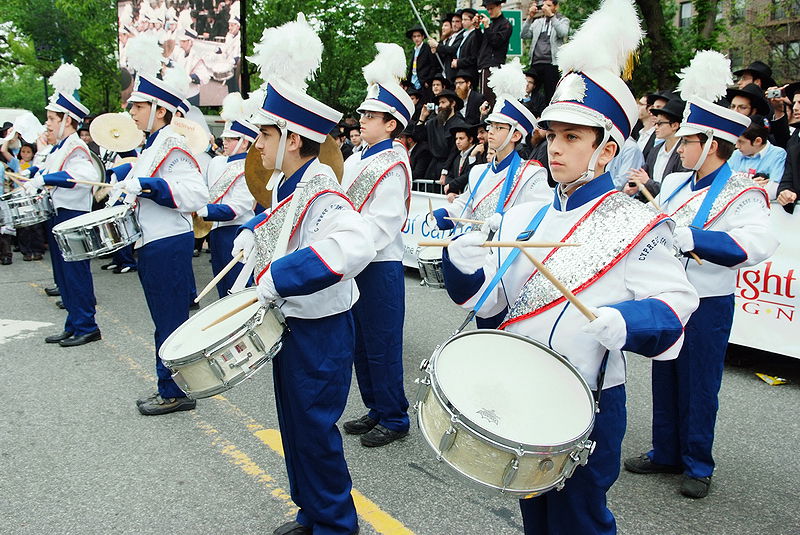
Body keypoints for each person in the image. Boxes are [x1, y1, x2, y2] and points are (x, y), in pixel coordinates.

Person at [442, 3, 698, 532]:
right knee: (534, 513)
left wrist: (627, 320)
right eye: (553, 135)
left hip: (590, 399)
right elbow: (486, 302)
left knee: (581, 519)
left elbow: (677, 303)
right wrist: (461, 262)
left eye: (572, 137)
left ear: (606, 151)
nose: (555, 148)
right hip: (523, 389)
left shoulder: (636, 223)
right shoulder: (526, 218)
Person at [230, 14, 374, 534]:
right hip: (293, 326)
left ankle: (336, 524)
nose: (257, 143)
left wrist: (279, 275)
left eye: (265, 133)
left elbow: (354, 244)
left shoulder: (323, 189)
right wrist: (254, 233)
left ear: (292, 139)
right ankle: (311, 512)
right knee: (293, 427)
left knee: (314, 431)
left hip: (320, 329)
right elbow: (284, 226)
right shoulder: (288, 187)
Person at [625, 50, 779, 500]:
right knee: (665, 372)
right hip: (669, 295)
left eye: (687, 142)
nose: (679, 149)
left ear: (711, 144)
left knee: (699, 383)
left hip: (709, 301)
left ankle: (697, 463)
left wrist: (694, 237)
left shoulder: (744, 191)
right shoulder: (674, 183)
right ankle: (665, 451)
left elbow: (755, 245)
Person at [112, 50, 209, 415]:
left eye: (138, 107)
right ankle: (168, 385)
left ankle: (175, 391)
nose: (132, 113)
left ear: (160, 110)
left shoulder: (174, 143)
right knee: (163, 319)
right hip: (153, 240)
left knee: (169, 320)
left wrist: (151, 186)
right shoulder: (153, 144)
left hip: (167, 241)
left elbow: (196, 193)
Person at [431, 59, 552, 328]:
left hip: (509, 266)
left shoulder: (531, 174)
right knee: (483, 327)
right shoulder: (479, 172)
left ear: (516, 135)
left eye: (499, 128)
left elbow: (541, 218)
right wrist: (446, 214)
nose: (491, 133)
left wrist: (507, 223)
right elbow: (466, 205)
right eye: (490, 127)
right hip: (481, 260)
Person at [341, 43, 413, 448]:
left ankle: (395, 416)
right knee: (361, 342)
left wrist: (344, 248)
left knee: (382, 344)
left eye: (371, 116)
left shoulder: (392, 163)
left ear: (391, 124)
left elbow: (383, 223)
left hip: (378, 264)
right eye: (364, 114)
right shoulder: (357, 159)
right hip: (355, 261)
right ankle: (375, 408)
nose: (363, 120)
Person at [24, 64, 102, 347]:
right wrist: (36, 174)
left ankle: (87, 325)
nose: (48, 124)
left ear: (67, 120)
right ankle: (73, 323)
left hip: (73, 216)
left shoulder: (76, 146)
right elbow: (50, 172)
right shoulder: (60, 147)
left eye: (52, 119)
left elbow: (84, 176)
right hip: (60, 214)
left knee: (75, 274)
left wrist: (46, 178)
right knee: (64, 276)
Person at [197, 92, 258, 297]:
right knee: (221, 290)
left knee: (238, 289)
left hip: (236, 230)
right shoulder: (216, 163)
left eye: (231, 139)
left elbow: (238, 207)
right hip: (215, 232)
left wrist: (203, 210)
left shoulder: (250, 167)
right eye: (225, 138)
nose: (225, 142)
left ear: (245, 142)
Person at [624, 97, 687, 199]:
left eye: (660, 123)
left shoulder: (684, 153)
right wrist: (636, 186)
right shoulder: (655, 150)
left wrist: (648, 182)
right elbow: (643, 178)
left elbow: (677, 192)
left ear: (675, 125)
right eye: (655, 123)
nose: (656, 127)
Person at [413, 88, 467, 182]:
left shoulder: (460, 124)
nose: (440, 106)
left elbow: (454, 151)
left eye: (443, 102)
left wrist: (445, 171)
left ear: (453, 103)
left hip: (450, 168)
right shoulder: (433, 122)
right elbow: (418, 137)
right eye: (439, 103)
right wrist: (422, 117)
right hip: (432, 167)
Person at [520, 0, 570, 101]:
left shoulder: (563, 20)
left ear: (555, 7)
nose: (545, 8)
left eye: (549, 5)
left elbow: (563, 33)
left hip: (551, 64)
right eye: (544, 5)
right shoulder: (538, 22)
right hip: (536, 63)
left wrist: (551, 16)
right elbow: (524, 34)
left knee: (550, 94)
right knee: (532, 93)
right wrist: (530, 17)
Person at [729, 115, 787, 200]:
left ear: (757, 141)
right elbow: (722, 186)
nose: (737, 146)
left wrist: (737, 186)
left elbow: (772, 192)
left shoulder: (777, 154)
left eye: (741, 142)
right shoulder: (736, 154)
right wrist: (750, 185)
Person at [475, 0, 512, 103]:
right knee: (484, 98)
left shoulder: (505, 24)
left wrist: (487, 27)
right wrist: (477, 28)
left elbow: (496, 42)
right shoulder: (491, 25)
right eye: (487, 9)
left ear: (499, 6)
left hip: (493, 66)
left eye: (491, 8)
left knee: (489, 99)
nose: (489, 12)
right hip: (484, 64)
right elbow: (481, 44)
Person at [443, 123, 478, 198]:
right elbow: (450, 175)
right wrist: (450, 191)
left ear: (470, 139)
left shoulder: (477, 153)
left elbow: (471, 174)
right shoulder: (457, 156)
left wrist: (451, 185)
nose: (457, 142)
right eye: (456, 139)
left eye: (461, 138)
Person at [405, 24, 437, 93]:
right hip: (413, 83)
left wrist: (428, 81)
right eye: (414, 36)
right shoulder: (414, 50)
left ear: (422, 37)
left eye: (418, 36)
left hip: (423, 84)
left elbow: (434, 66)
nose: (416, 38)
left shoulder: (427, 48)